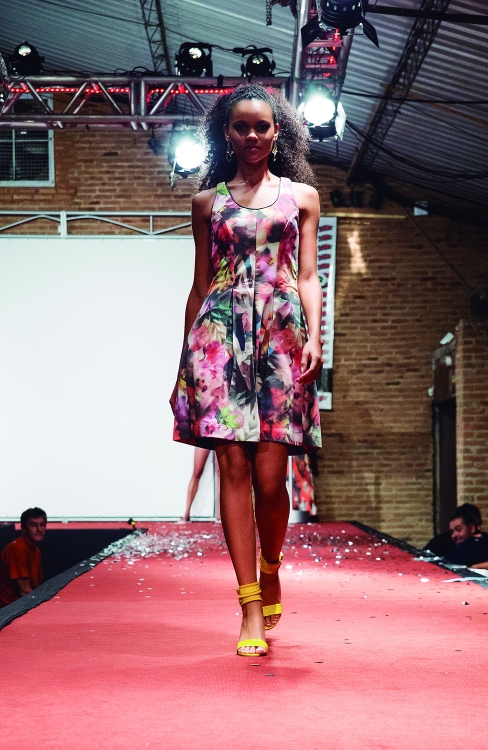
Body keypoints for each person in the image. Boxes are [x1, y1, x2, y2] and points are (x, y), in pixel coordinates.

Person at [170, 84, 322, 656]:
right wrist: (184, 360)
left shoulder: (302, 197)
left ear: (277, 132)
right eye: (242, 127)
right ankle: (250, 603)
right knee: (231, 466)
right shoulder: (207, 203)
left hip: (281, 337)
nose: (252, 135)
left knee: (270, 479)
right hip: (218, 337)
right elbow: (199, 285)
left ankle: (272, 563)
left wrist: (316, 337)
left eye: (262, 126)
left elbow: (307, 275)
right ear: (226, 135)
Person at [0, 508, 47, 607]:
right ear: (23, 528)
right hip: (10, 608)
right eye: (33, 525)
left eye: (42, 525)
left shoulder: (36, 550)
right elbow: (24, 591)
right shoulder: (18, 549)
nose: (39, 529)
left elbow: (35, 586)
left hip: (22, 604)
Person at [179, 446, 220, 522]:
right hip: (205, 439)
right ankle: (186, 513)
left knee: (220, 474)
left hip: (220, 439)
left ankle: (220, 515)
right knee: (197, 472)